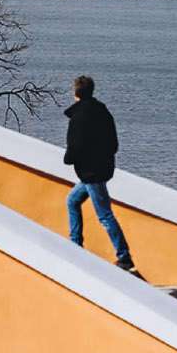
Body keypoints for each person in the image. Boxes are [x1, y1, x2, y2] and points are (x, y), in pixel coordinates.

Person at [63, 75, 133, 270]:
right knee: (72, 201)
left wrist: (69, 158)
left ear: (75, 93)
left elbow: (75, 145)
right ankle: (75, 244)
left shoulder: (79, 117)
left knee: (104, 215)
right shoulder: (102, 112)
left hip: (91, 172)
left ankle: (124, 255)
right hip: (101, 168)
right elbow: (113, 143)